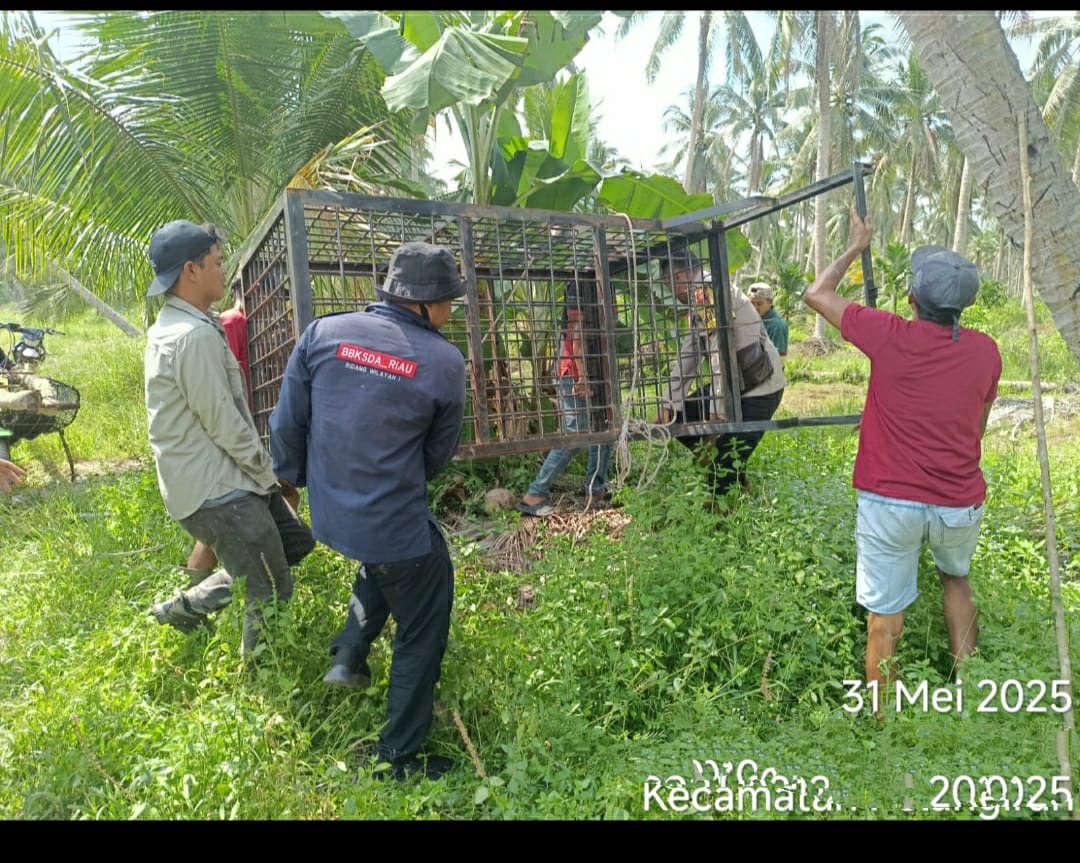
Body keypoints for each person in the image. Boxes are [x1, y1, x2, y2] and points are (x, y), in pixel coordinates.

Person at [270, 241, 467, 782]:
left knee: (392, 558)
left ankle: (349, 653)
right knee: (423, 613)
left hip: (333, 514)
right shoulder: (444, 361)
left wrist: (302, 482)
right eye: (448, 300)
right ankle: (398, 757)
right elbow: (438, 454)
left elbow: (285, 423)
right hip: (390, 518)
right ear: (425, 303)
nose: (451, 310)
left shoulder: (323, 333)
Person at [802, 206, 1001, 694]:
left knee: (884, 615)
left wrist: (856, 245)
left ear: (911, 298)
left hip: (890, 501)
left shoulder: (887, 332)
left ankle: (881, 718)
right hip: (958, 501)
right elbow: (976, 429)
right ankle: (971, 693)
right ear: (966, 303)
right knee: (956, 581)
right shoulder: (986, 351)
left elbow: (816, 294)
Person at [143, 219, 314, 655]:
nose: (224, 270)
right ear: (191, 271)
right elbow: (224, 422)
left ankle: (187, 606)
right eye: (217, 263)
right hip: (218, 489)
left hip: (223, 478)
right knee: (270, 588)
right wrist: (267, 475)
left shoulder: (191, 323)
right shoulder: (192, 337)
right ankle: (260, 679)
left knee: (296, 543)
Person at [658, 250, 786, 500]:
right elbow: (691, 351)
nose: (670, 291)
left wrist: (716, 413)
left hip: (759, 388)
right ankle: (730, 473)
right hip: (735, 384)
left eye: (667, 284)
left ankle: (727, 496)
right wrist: (669, 401)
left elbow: (720, 351)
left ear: (678, 277)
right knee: (680, 416)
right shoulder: (699, 296)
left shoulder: (707, 291)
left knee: (721, 472)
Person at [518, 281, 613, 517]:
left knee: (604, 429)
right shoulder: (580, 285)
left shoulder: (603, 282)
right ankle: (535, 493)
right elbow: (576, 334)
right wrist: (583, 375)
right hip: (574, 371)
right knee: (576, 433)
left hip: (592, 370)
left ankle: (595, 489)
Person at [746, 282, 789, 360]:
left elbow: (779, 358)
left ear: (770, 302)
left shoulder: (777, 325)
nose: (754, 307)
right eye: (751, 303)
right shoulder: (752, 319)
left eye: (759, 304)